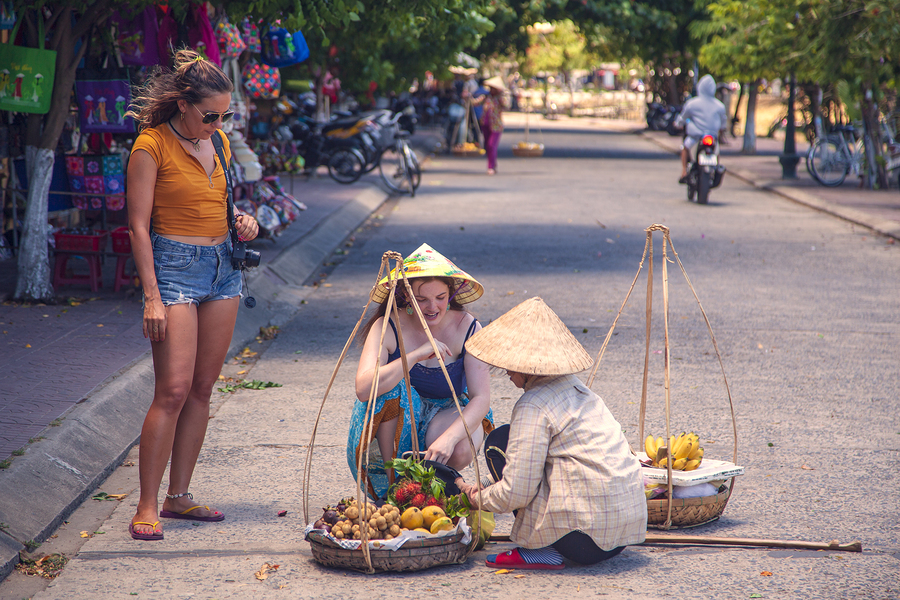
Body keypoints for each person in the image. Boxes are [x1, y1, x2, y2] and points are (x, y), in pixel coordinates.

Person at [125, 49, 259, 541]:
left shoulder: (218, 142)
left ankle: (178, 497)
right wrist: (152, 297)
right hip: (174, 270)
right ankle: (145, 504)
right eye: (210, 115)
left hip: (223, 268)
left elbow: (223, 204)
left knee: (203, 389)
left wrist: (244, 222)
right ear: (183, 104)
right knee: (173, 391)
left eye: (224, 115)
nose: (217, 122)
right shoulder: (150, 146)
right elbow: (138, 228)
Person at [456, 297, 646, 570]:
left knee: (498, 443)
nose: (507, 373)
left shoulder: (533, 404)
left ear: (525, 365)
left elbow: (516, 493)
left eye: (510, 365)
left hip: (583, 542)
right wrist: (484, 483)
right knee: (510, 439)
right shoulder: (577, 389)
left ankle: (542, 550)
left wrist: (474, 498)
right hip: (621, 535)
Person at [348, 244, 493, 500]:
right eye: (422, 299)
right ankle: (396, 489)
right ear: (406, 296)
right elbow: (363, 388)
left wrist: (448, 439)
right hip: (396, 422)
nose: (432, 307)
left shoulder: (468, 326)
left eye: (440, 297)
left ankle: (435, 483)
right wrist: (413, 356)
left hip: (445, 412)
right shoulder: (388, 325)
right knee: (387, 385)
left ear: (451, 293)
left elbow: (481, 398)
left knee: (457, 447)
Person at [674, 74, 728, 183]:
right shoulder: (720, 106)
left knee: (685, 147)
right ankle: (715, 169)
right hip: (712, 137)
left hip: (696, 137)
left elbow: (682, 118)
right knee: (716, 151)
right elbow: (723, 123)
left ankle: (684, 171)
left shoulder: (692, 103)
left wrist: (677, 124)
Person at [474, 76, 506, 175]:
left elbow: (506, 105)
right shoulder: (486, 97)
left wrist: (501, 95)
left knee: (492, 145)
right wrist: (468, 98)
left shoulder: (500, 98)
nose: (491, 90)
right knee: (487, 145)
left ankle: (490, 166)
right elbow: (475, 102)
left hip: (496, 125)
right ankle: (493, 164)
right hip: (485, 124)